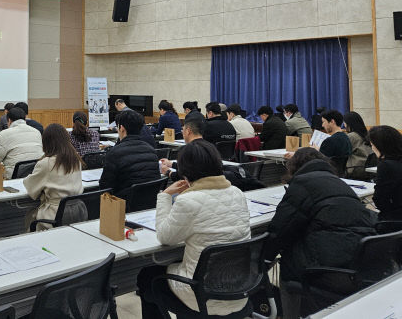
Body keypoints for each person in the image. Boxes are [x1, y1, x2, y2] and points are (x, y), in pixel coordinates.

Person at [137, 139, 251, 318]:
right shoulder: (237, 192)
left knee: (147, 276)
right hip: (239, 289)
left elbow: (164, 237)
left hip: (201, 296)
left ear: (185, 171)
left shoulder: (188, 201)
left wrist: (165, 196)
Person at [265, 148, 376, 319]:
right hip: (360, 261)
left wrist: (264, 260)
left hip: (329, 268)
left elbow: (280, 230)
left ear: (294, 166)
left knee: (286, 269)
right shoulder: (338, 182)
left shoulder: (302, 183)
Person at [24, 123, 84, 230]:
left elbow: (31, 189)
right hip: (79, 211)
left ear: (46, 142)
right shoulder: (76, 159)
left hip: (56, 214)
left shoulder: (46, 163)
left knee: (29, 218)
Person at [99, 109, 159, 198]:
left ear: (122, 128)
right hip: (151, 204)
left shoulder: (114, 153)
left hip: (124, 206)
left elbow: (105, 187)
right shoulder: (152, 151)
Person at [0, 107, 43, 179]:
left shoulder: (4, 134)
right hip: (35, 176)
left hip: (12, 178)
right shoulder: (36, 132)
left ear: (9, 120)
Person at [344, 111, 372, 178]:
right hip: (367, 168)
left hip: (354, 169)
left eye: (344, 122)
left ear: (349, 124)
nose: (344, 125)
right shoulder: (367, 134)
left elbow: (342, 151)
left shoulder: (351, 136)